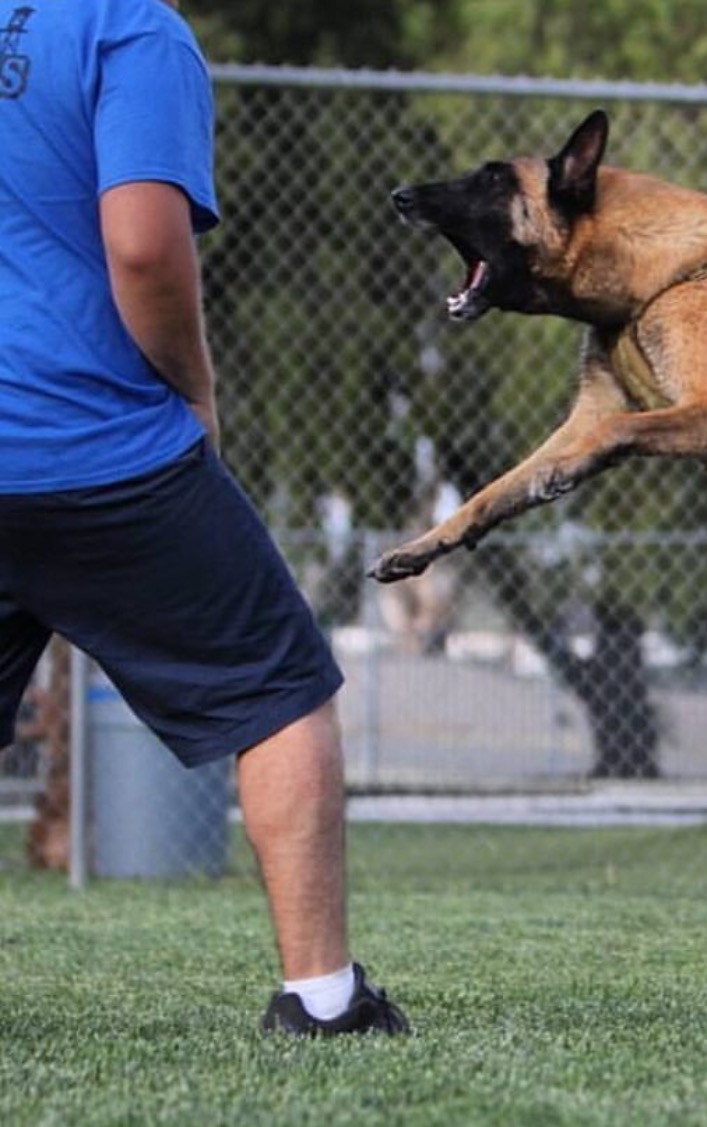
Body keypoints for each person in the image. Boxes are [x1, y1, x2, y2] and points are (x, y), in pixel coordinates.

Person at [0, 0, 407, 1036]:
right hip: (97, 447)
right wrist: (195, 386)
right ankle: (322, 998)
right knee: (278, 690)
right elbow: (142, 248)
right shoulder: (129, 27)